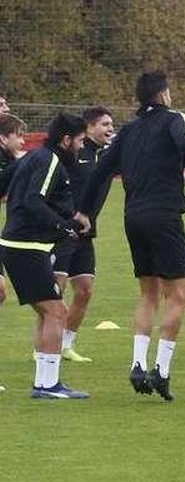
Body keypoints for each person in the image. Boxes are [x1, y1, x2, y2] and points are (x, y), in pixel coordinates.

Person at [77, 71, 185, 402]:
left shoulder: (129, 131)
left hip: (132, 218)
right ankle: (161, 371)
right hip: (164, 217)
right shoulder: (173, 119)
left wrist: (83, 212)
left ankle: (138, 362)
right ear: (163, 95)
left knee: (147, 294)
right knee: (177, 295)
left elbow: (101, 171)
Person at [1, 113, 91, 399]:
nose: (80, 147)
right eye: (79, 141)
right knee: (57, 311)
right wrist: (62, 227)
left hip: (20, 245)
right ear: (66, 140)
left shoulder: (32, 157)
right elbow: (32, 201)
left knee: (46, 312)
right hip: (27, 247)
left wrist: (70, 218)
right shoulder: (49, 160)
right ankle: (48, 384)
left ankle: (44, 382)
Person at [51, 107, 115, 362]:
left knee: (85, 290)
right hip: (64, 230)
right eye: (105, 124)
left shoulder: (110, 154)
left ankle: (66, 344)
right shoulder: (75, 153)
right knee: (56, 290)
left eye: (112, 124)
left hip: (87, 232)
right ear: (89, 128)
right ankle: (43, 346)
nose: (110, 128)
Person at [0, 112, 28, 311]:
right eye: (18, 135)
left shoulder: (10, 160)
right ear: (3, 138)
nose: (23, 141)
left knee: (1, 292)